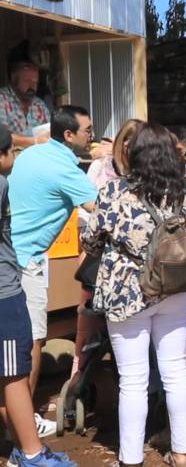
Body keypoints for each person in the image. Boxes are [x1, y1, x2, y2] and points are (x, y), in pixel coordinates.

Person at [81, 123, 186, 467]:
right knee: (175, 369)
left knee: (133, 379)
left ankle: (131, 458)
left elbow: (92, 240)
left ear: (135, 155)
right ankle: (182, 451)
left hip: (127, 292)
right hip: (175, 288)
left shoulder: (114, 192)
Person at [9, 105, 97, 436]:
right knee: (32, 339)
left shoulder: (32, 154)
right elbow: (103, 211)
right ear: (69, 135)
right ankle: (23, 424)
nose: (92, 135)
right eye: (88, 131)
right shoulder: (66, 170)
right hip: (27, 260)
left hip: (10, 253)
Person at [0, 124, 76, 467]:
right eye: (12, 152)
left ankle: (23, 446)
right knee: (14, 375)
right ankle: (30, 454)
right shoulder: (2, 185)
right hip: (5, 291)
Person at [72, 119, 144, 380]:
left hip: (126, 266)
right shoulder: (100, 168)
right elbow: (85, 211)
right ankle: (78, 374)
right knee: (87, 321)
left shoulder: (151, 175)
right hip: (100, 257)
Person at [0, 41, 51, 149]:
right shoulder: (2, 100)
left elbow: (51, 132)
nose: (32, 87)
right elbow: (2, 136)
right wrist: (35, 141)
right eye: (27, 81)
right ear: (14, 79)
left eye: (35, 82)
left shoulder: (39, 105)